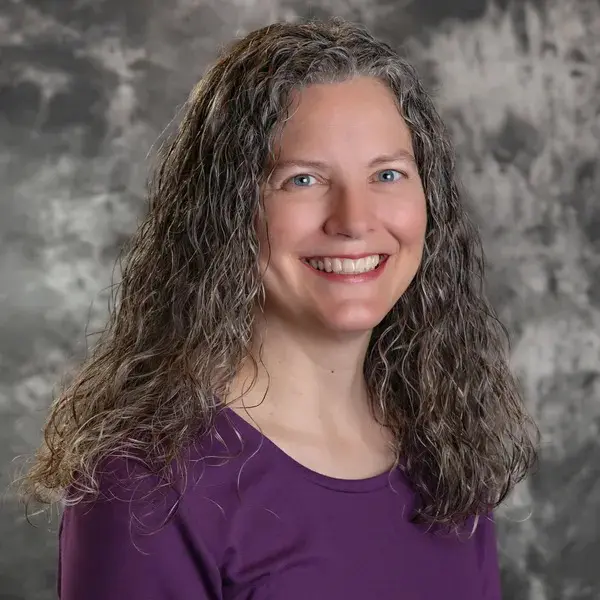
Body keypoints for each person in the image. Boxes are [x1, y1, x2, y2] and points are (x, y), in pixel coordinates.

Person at [18, 16, 539, 600]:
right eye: (303, 180)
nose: (354, 221)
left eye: (388, 174)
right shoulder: (147, 486)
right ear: (227, 211)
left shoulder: (446, 449)